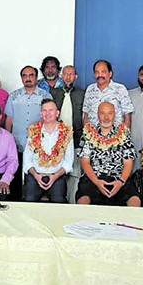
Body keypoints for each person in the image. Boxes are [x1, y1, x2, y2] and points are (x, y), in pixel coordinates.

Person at [76, 102, 140, 207]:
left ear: (114, 115)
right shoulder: (89, 134)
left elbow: (128, 163)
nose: (106, 117)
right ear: (97, 115)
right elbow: (85, 162)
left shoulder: (123, 134)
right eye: (102, 113)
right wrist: (96, 182)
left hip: (119, 178)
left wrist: (120, 182)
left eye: (110, 113)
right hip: (94, 178)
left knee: (135, 201)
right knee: (82, 202)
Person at [5, 66, 51, 199]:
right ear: (21, 78)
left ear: (36, 77)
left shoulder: (45, 96)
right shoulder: (14, 96)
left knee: (33, 181)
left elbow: (49, 119)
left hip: (38, 147)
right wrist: (8, 142)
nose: (28, 78)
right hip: (17, 144)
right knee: (16, 179)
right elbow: (9, 120)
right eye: (25, 76)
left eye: (31, 75)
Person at [22, 99, 74, 202]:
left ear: (57, 113)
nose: (47, 113)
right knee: (29, 200)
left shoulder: (66, 132)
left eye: (50, 110)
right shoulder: (34, 130)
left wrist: (55, 176)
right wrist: (36, 175)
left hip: (57, 176)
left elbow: (68, 162)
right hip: (35, 175)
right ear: (41, 114)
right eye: (44, 110)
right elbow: (27, 159)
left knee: (58, 201)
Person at [50, 65, 85, 203]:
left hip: (76, 138)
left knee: (75, 173)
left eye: (71, 74)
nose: (68, 77)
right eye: (65, 74)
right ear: (61, 76)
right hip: (56, 139)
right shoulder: (53, 93)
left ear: (75, 77)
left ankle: (72, 203)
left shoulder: (82, 93)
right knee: (58, 171)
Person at [82, 59, 134, 128]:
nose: (100, 75)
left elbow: (127, 115)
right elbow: (86, 114)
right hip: (93, 136)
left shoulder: (120, 89)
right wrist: (87, 134)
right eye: (97, 72)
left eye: (103, 72)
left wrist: (124, 136)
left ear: (110, 74)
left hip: (115, 136)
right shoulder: (90, 89)